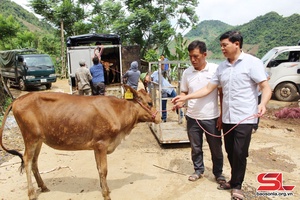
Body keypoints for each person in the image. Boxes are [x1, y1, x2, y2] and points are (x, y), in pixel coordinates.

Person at [172, 31, 272, 200]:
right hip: (227, 118)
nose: (222, 49)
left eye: (224, 45)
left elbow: (265, 86)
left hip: (245, 116)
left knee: (240, 152)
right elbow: (207, 89)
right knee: (230, 151)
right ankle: (233, 181)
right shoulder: (222, 67)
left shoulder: (252, 63)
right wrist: (186, 97)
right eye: (221, 45)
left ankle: (237, 186)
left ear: (237, 44)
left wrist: (262, 104)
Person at [179, 40, 225, 183]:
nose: (193, 60)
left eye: (196, 56)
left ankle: (218, 173)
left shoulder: (215, 70)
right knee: (195, 147)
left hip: (211, 117)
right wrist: (179, 102)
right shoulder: (187, 72)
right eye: (190, 57)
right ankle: (198, 170)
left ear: (205, 54)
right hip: (192, 117)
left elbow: (221, 93)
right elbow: (184, 93)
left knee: (216, 148)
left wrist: (222, 115)